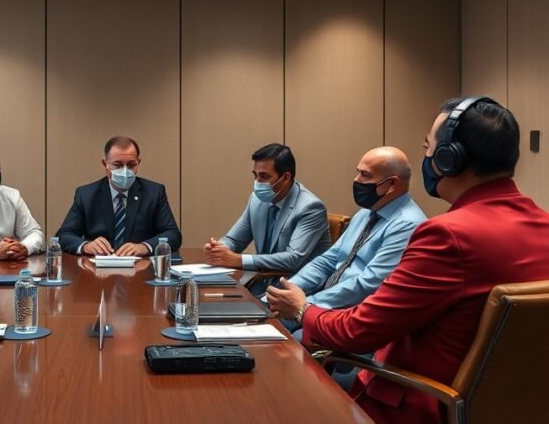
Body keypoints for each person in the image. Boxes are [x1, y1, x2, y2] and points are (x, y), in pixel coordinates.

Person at [269, 97, 549, 424]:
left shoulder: (447, 236)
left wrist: (302, 310)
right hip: (511, 409)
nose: (426, 157)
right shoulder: (543, 227)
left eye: (429, 147)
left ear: (448, 159)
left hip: (417, 405)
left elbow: (358, 332)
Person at [267, 146, 426, 320]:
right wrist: (285, 291)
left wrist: (303, 307)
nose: (356, 180)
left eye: (365, 175)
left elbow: (367, 285)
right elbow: (328, 260)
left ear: (392, 184)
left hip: (350, 318)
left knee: (271, 332)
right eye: (358, 172)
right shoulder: (366, 213)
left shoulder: (407, 225)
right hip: (320, 305)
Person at [204, 144, 330, 294]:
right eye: (255, 175)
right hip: (262, 282)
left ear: (285, 177)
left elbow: (293, 259)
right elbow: (235, 240)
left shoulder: (310, 207)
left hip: (297, 288)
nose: (257, 182)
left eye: (264, 176)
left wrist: (238, 260)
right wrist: (219, 249)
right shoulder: (256, 200)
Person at [56, 136, 181, 256]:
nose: (125, 171)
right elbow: (63, 236)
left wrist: (145, 247)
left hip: (140, 265)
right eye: (118, 165)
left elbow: (173, 235)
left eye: (131, 165)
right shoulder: (86, 195)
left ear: (138, 163)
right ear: (105, 164)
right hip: (98, 266)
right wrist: (86, 246)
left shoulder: (154, 192)